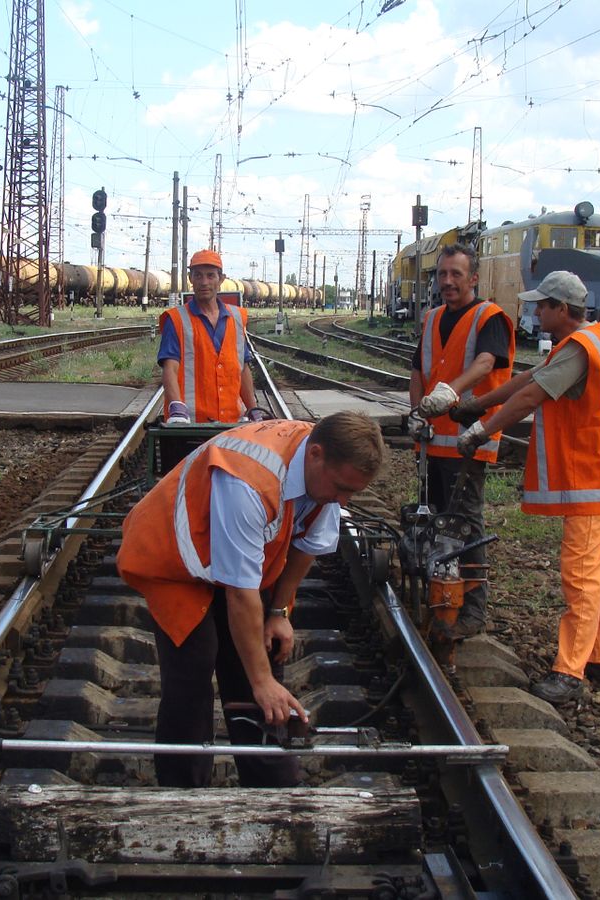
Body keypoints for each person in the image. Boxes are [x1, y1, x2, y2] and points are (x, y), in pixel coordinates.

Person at [116, 411, 385, 787]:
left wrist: (279, 612)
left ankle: (271, 784)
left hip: (233, 556)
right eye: (340, 488)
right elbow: (241, 596)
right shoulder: (248, 480)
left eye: (351, 493)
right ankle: (182, 788)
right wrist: (260, 681)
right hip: (174, 560)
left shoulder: (323, 465)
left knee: (259, 657)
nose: (342, 501)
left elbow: (307, 545)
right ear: (316, 454)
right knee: (195, 666)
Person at [455, 270, 600, 705]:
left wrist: (481, 429)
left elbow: (530, 398)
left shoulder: (579, 350)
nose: (536, 312)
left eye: (542, 305)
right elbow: (527, 380)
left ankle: (569, 672)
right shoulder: (583, 343)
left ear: (561, 309)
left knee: (583, 577)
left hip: (591, 479)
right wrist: (478, 404)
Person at [409, 242, 514, 639]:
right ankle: (442, 597)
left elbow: (486, 363)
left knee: (466, 525)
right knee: (434, 520)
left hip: (470, 442)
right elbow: (418, 369)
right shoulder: (433, 317)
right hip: (433, 441)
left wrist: (449, 393)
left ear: (473, 278)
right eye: (442, 274)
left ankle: (472, 610)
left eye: (456, 274)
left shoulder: (489, 317)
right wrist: (418, 411)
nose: (448, 282)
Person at [158, 249, 260, 424]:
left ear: (221, 279)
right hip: (188, 424)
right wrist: (176, 407)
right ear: (190, 279)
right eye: (198, 276)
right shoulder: (176, 320)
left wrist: (253, 408)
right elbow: (170, 368)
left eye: (210, 275)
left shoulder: (236, 318)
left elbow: (242, 368)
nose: (204, 282)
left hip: (231, 423)